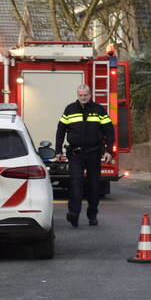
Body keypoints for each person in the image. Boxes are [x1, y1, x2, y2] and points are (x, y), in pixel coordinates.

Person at [55, 84, 114, 227]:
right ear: (77, 95)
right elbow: (61, 130)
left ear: (90, 94)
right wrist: (58, 151)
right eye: (80, 95)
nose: (83, 97)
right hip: (76, 154)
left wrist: (109, 151)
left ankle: (92, 215)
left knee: (94, 186)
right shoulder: (70, 109)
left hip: (94, 153)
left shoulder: (99, 110)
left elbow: (109, 131)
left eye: (85, 95)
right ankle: (73, 214)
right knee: (76, 184)